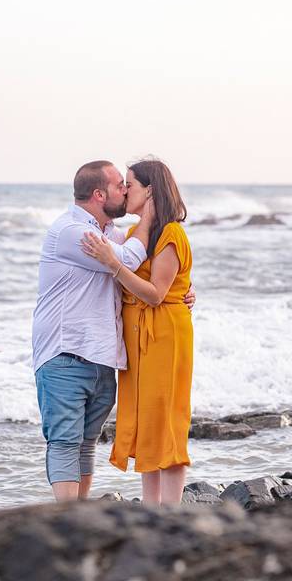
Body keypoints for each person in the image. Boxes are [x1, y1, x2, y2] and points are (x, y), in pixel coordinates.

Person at [31, 160, 194, 502]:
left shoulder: (116, 236)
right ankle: (70, 521)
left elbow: (146, 272)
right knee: (64, 441)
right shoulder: (74, 233)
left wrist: (182, 292)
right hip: (65, 353)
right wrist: (147, 219)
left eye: (128, 184)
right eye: (121, 184)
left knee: (87, 442)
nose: (124, 190)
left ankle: (84, 515)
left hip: (105, 355)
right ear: (99, 194)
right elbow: (129, 262)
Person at [81, 157, 193, 506]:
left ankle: (171, 511)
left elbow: (156, 294)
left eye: (131, 183)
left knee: (166, 419)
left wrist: (113, 265)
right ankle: (150, 508)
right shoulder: (134, 235)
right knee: (146, 419)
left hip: (164, 335)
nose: (126, 190)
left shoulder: (172, 233)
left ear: (150, 190)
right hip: (139, 337)